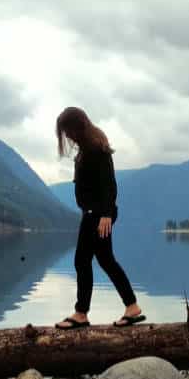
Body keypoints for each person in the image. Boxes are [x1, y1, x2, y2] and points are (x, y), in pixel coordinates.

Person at [54, 107, 145, 329]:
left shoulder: (95, 148)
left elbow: (109, 185)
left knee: (81, 260)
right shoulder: (88, 148)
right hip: (94, 213)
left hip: (97, 214)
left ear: (78, 126)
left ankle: (81, 313)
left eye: (68, 131)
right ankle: (131, 307)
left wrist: (106, 214)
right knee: (106, 260)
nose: (67, 136)